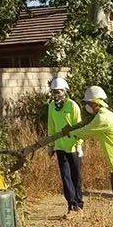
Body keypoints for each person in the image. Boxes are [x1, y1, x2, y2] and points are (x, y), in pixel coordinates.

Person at [52, 86, 113, 212]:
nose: (87, 106)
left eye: (89, 103)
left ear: (95, 103)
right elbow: (85, 125)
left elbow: (86, 131)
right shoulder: (100, 115)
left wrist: (70, 132)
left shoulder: (103, 118)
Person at [46, 76, 84, 215]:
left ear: (65, 91)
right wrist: (50, 146)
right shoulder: (51, 106)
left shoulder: (72, 105)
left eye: (59, 91)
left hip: (73, 146)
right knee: (66, 177)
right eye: (54, 92)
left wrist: (79, 145)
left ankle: (79, 204)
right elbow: (51, 126)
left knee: (76, 176)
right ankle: (71, 205)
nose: (56, 95)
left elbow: (79, 125)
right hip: (60, 147)